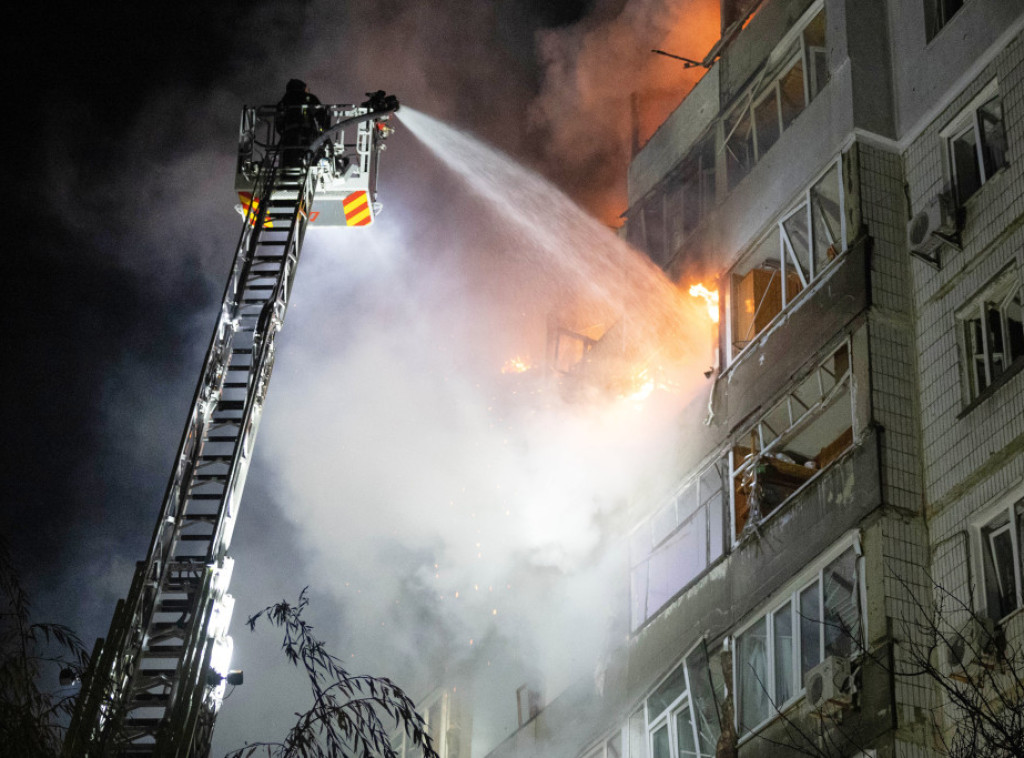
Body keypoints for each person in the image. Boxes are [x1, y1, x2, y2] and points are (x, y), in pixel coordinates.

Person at [276, 79, 328, 168]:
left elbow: (279, 123)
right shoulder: (310, 98)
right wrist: (323, 131)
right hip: (307, 135)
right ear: (302, 87)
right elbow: (321, 116)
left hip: (288, 138)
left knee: (288, 160)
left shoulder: (284, 101)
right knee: (310, 157)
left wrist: (283, 132)